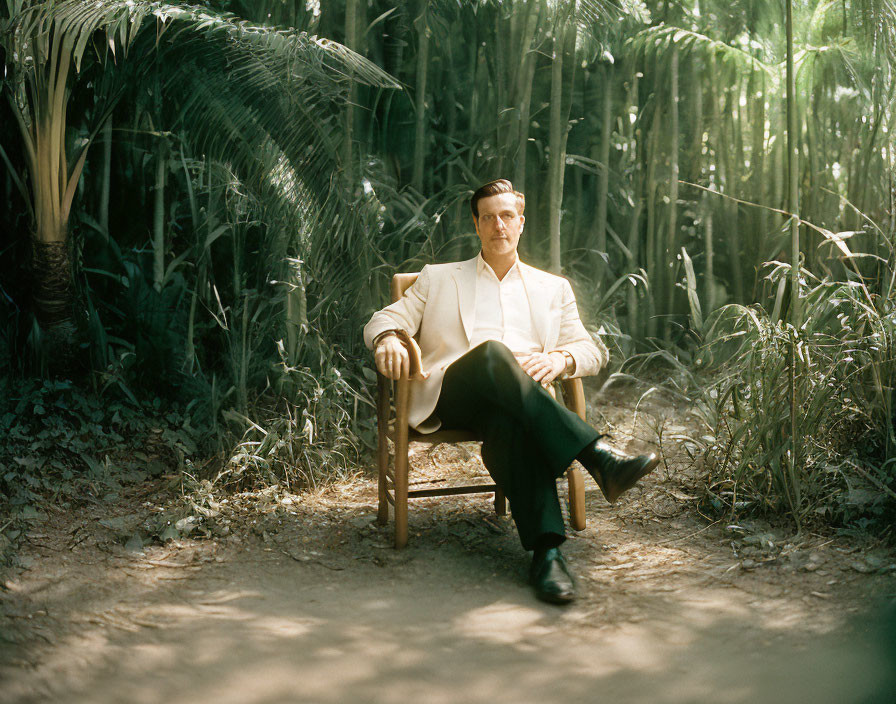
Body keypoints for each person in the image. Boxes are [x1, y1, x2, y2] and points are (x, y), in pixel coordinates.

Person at [363, 179, 658, 604]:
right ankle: (597, 456)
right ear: (476, 225)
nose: (498, 225)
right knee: (493, 355)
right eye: (488, 217)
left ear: (520, 222)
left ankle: (548, 553)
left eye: (506, 216)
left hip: (520, 402)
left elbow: (589, 350)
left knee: (513, 425)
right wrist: (389, 337)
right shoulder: (438, 278)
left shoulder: (553, 288)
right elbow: (382, 318)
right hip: (453, 395)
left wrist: (561, 361)